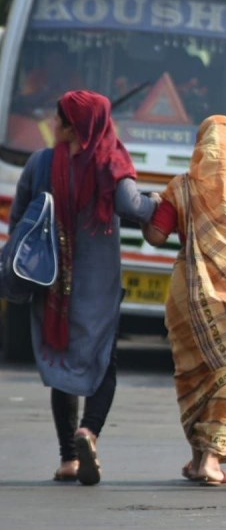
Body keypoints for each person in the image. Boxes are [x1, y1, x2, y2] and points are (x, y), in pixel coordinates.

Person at [7, 90, 158, 485]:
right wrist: (157, 204)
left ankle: (68, 459)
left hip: (51, 283)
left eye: (58, 118)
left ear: (72, 126)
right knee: (103, 360)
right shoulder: (111, 163)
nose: (53, 123)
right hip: (97, 288)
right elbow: (132, 206)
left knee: (62, 364)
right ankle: (88, 431)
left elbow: (19, 218)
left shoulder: (40, 163)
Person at [142, 115, 226, 486]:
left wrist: (149, 207)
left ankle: (196, 458)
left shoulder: (182, 187)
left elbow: (156, 236)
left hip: (188, 299)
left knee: (194, 375)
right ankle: (210, 460)